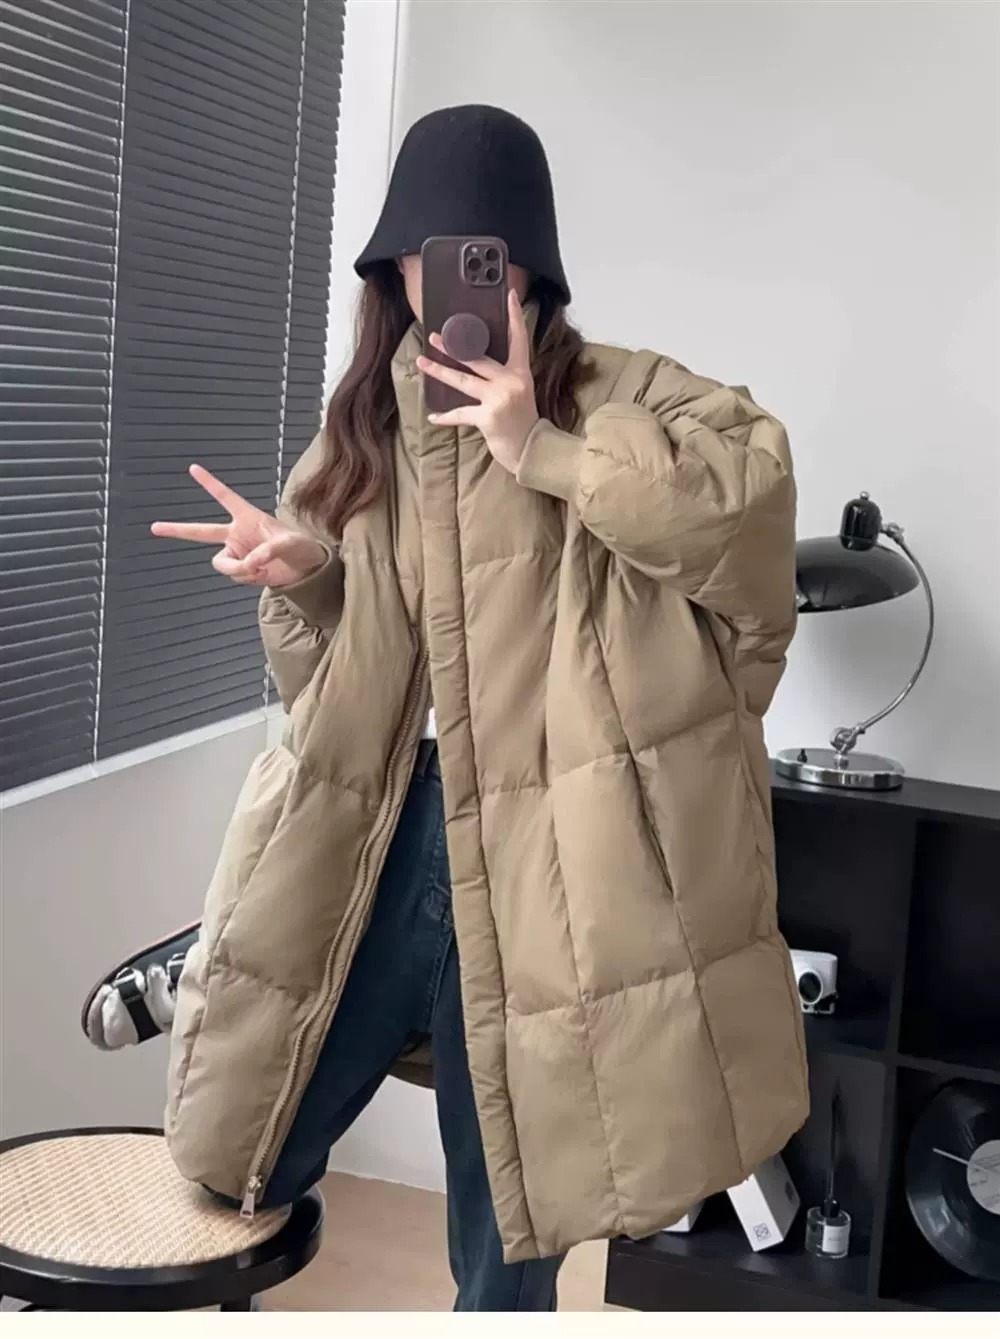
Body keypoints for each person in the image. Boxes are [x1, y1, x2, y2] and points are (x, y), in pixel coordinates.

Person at [152, 105, 809, 1312]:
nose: (444, 280)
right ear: (393, 272)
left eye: (477, 256)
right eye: (420, 256)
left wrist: (540, 447)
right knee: (250, 1140)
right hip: (386, 827)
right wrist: (308, 579)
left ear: (525, 265)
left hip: (549, 849)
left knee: (511, 1197)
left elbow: (747, 518)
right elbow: (323, 686)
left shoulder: (628, 393)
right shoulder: (363, 428)